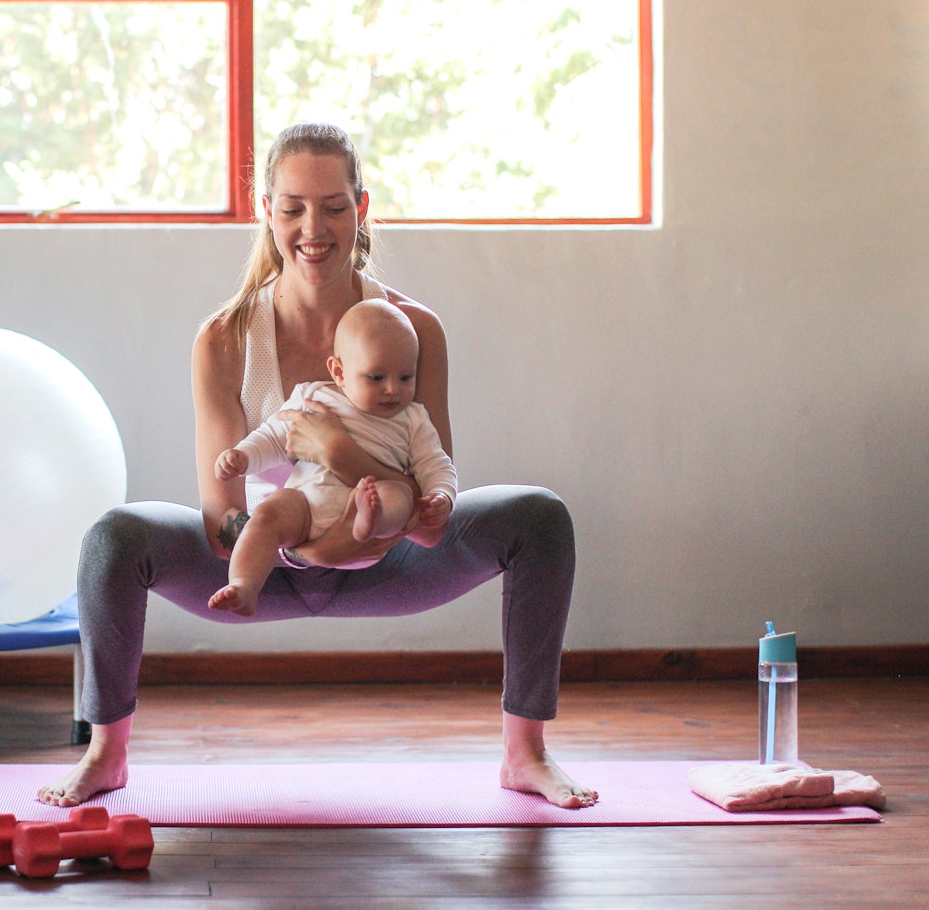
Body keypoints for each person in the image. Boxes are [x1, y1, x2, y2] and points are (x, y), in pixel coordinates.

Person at [37, 122, 597, 810]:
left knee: (540, 518)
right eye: (294, 207)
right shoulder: (224, 338)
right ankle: (106, 755)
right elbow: (221, 524)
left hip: (388, 557)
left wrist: (340, 458)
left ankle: (526, 754)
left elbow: (429, 512)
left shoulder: (414, 328)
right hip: (260, 567)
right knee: (113, 537)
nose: (314, 227)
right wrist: (306, 540)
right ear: (266, 211)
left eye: (334, 206)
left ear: (362, 209)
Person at [209, 298, 458, 617]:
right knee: (267, 516)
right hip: (305, 506)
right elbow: (274, 435)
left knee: (400, 495)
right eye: (377, 377)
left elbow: (435, 465)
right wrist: (242, 456)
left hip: (371, 515)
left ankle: (367, 520)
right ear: (339, 371)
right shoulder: (313, 396)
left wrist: (442, 495)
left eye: (406, 378)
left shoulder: (413, 419)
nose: (393, 390)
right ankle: (244, 584)